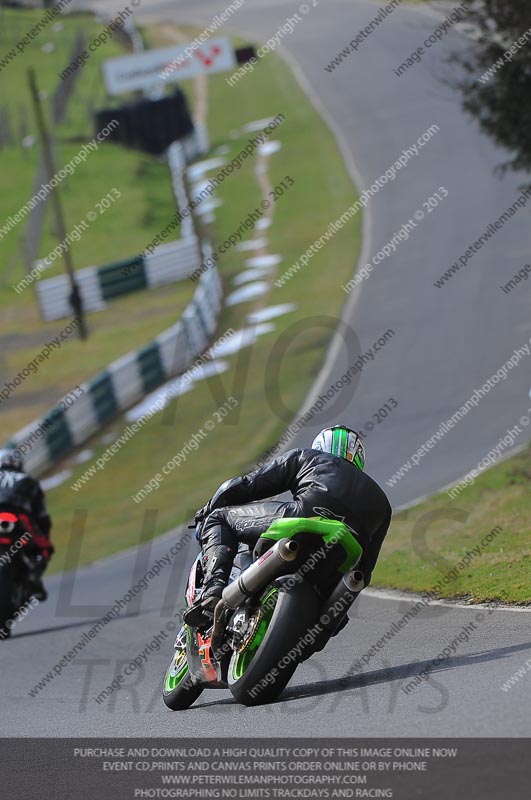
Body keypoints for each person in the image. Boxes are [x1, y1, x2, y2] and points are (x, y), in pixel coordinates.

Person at [183, 424, 392, 627]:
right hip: (339, 560)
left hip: (299, 523)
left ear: (320, 446)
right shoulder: (382, 503)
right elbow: (366, 568)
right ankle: (315, 630)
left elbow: (247, 485)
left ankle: (213, 591)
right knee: (343, 602)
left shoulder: (308, 457)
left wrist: (208, 509)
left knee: (219, 518)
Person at [0, 448, 54, 601]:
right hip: (19, 518)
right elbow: (41, 515)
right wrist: (44, 535)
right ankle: (34, 576)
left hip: (14, 521)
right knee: (45, 547)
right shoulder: (27, 480)